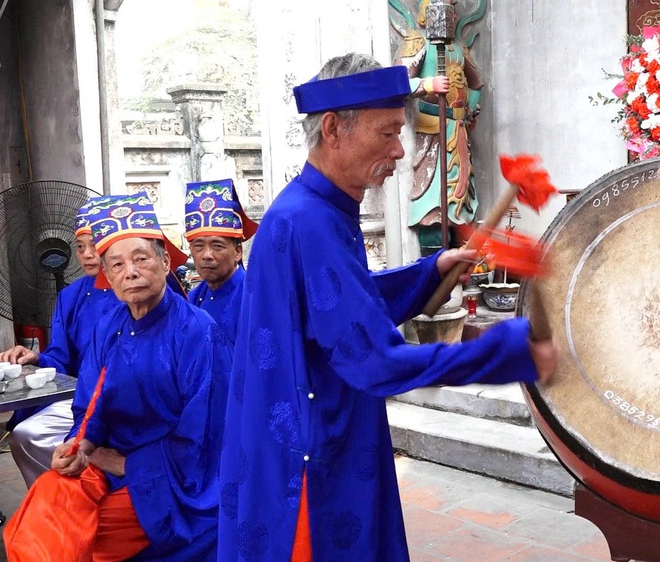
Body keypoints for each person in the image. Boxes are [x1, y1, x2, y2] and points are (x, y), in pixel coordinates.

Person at [218, 53, 558, 561]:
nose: (401, 151)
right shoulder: (311, 222)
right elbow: (372, 360)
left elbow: (342, 305)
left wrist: (430, 271)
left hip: (317, 434)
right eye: (388, 133)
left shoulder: (317, 210)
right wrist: (509, 349)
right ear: (333, 129)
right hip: (310, 459)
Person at [3, 193, 232, 561]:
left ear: (163, 260)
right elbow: (90, 403)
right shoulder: (109, 325)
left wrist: (122, 463)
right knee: (43, 505)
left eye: (141, 258)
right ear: (107, 276)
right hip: (107, 460)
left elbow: (203, 437)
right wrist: (81, 446)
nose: (131, 272)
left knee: (89, 537)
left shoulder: (198, 333)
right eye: (117, 264)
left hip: (171, 478)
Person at [0, 198, 119, 487]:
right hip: (79, 397)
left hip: (122, 399)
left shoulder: (133, 292)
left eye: (95, 244)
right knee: (26, 434)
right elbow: (61, 359)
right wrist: (37, 358)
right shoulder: (71, 296)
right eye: (80, 247)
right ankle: (54, 501)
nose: (87, 254)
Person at [394, 0, 485, 250]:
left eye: (452, 9)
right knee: (432, 207)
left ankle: (459, 267)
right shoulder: (418, 41)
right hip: (431, 134)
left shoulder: (458, 47)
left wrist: (469, 111)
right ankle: (431, 265)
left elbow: (476, 85)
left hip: (458, 135)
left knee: (461, 208)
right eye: (443, 7)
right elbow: (396, 82)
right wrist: (428, 85)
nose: (450, 14)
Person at [184, 178, 258, 344]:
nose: (207, 255)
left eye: (217, 246)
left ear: (237, 252)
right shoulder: (193, 299)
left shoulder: (254, 296)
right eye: (198, 246)